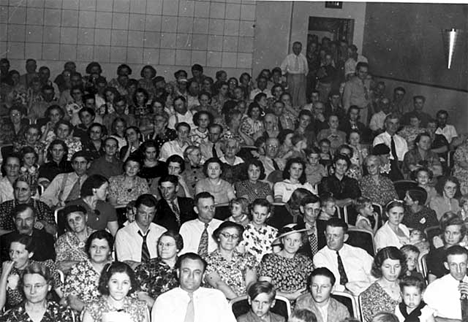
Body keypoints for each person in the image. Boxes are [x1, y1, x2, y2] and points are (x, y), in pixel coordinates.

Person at [151, 252, 236, 322]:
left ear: (203, 276)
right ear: (178, 273)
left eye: (197, 272)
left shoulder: (217, 297)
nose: (191, 276)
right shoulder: (164, 301)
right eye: (186, 271)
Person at [0, 235, 62, 311]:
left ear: (30, 254)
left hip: (44, 311)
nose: (13, 256)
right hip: (17, 315)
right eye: (11, 252)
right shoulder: (5, 270)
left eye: (18, 252)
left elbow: (62, 294)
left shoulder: (44, 267)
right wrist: (4, 275)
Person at [313, 218, 373, 294]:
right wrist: (346, 291)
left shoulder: (360, 253)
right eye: (328, 235)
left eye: (335, 236)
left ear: (345, 237)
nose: (330, 239)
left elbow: (375, 275)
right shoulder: (320, 257)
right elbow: (327, 284)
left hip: (366, 295)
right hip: (338, 298)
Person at [259, 223, 315, 301]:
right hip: (277, 303)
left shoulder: (306, 261)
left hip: (302, 303)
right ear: (282, 240)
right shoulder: (270, 260)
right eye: (288, 239)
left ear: (301, 243)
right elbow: (263, 288)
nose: (292, 244)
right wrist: (290, 296)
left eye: (296, 240)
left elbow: (313, 285)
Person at [0, 262, 74, 321]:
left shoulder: (62, 314)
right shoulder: (12, 316)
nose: (32, 291)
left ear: (49, 286)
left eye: (38, 286)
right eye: (27, 286)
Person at [62, 230, 113, 313]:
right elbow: (72, 300)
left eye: (103, 247)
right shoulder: (78, 270)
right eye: (94, 247)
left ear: (110, 251)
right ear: (88, 249)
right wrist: (95, 314)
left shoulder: (117, 270)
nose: (98, 251)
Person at [82, 262, 149, 322]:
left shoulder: (140, 308)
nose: (119, 287)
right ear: (107, 283)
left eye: (125, 283)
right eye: (115, 282)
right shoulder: (93, 309)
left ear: (130, 285)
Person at [205, 221, 257, 299]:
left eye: (235, 236)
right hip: (219, 303)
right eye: (226, 235)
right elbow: (218, 284)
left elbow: (251, 282)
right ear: (218, 237)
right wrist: (237, 302)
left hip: (245, 301)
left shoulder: (248, 259)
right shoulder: (208, 260)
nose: (230, 239)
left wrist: (249, 300)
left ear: (238, 240)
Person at [115, 194, 167, 269]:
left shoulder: (162, 232)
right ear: (135, 210)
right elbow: (125, 263)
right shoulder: (123, 233)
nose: (147, 217)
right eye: (143, 213)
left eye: (151, 214)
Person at [134, 231, 182, 307]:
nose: (163, 248)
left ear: (178, 248)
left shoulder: (184, 265)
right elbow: (141, 294)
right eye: (160, 244)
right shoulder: (146, 267)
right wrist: (159, 309)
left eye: (168, 245)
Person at [360, 247, 407, 322]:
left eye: (397, 266)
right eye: (387, 266)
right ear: (379, 267)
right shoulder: (370, 295)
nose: (392, 271)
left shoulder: (408, 286)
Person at [424, 245, 468, 321]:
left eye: (462, 264)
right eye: (454, 265)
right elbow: (425, 316)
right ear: (447, 266)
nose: (459, 270)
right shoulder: (435, 288)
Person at [55, 205, 95, 273]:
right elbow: (61, 266)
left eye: (78, 218)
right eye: (70, 221)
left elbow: (107, 261)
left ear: (86, 217)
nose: (75, 223)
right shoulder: (64, 240)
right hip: (74, 278)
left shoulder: (97, 236)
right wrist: (89, 265)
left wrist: (73, 263)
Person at [426, 216, 465, 283]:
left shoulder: (464, 253)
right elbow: (432, 277)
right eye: (447, 232)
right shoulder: (436, 254)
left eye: (455, 233)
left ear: (461, 235)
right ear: (443, 233)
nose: (450, 237)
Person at [239, 199, 278, 263]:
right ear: (251, 212)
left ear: (268, 215)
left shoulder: (274, 233)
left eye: (263, 214)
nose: (259, 217)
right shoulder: (242, 231)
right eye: (256, 213)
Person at [373, 114, 408, 180]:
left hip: (400, 168)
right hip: (385, 169)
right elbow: (380, 158)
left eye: (396, 123)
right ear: (386, 125)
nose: (394, 126)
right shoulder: (379, 139)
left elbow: (405, 158)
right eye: (391, 123)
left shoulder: (402, 140)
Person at [280, 41, 308, 107]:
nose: (297, 50)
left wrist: (302, 77)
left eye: (299, 48)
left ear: (301, 49)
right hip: (292, 78)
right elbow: (282, 69)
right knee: (292, 95)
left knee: (301, 96)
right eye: (296, 48)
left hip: (301, 78)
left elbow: (306, 70)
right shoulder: (288, 57)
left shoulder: (303, 58)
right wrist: (287, 77)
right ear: (293, 48)